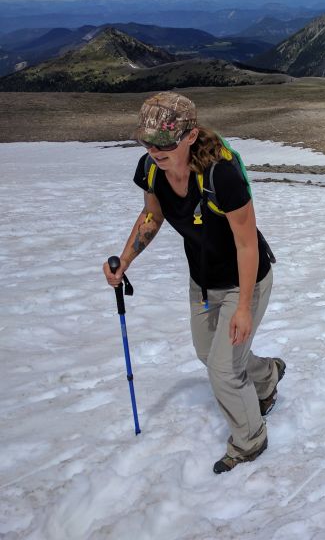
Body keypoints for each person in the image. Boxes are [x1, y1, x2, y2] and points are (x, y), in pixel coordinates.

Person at [103, 91, 284, 474]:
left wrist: (243, 307)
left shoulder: (222, 174)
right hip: (202, 280)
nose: (155, 150)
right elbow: (151, 216)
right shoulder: (152, 170)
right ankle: (266, 376)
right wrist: (126, 260)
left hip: (244, 279)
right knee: (208, 353)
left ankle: (250, 439)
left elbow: (247, 243)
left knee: (222, 369)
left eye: (164, 142)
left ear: (189, 135)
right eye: (148, 141)